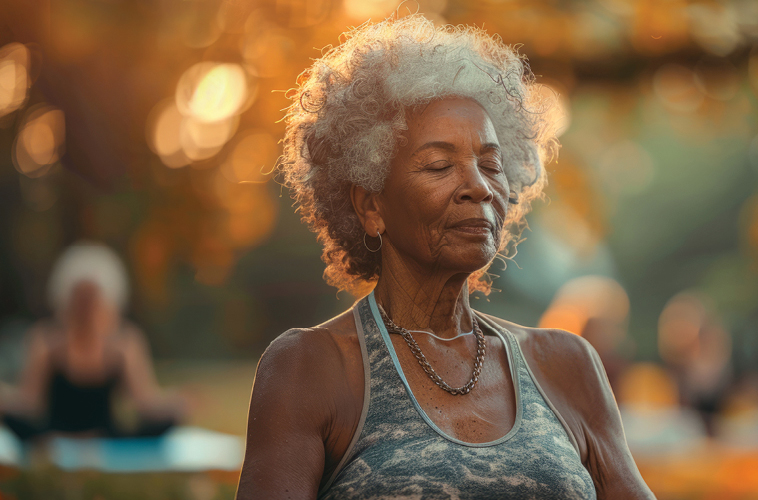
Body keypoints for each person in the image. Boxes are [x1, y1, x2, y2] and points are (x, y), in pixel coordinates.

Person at [236, 17, 654, 499]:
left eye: (491, 164)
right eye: (439, 165)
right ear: (370, 206)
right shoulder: (310, 368)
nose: (479, 186)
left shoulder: (566, 364)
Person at [1, 242, 182, 440]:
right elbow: (29, 401)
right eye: (80, 298)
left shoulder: (124, 343)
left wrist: (176, 402)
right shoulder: (45, 341)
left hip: (107, 439)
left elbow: (144, 401)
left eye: (91, 297)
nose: (85, 306)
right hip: (55, 438)